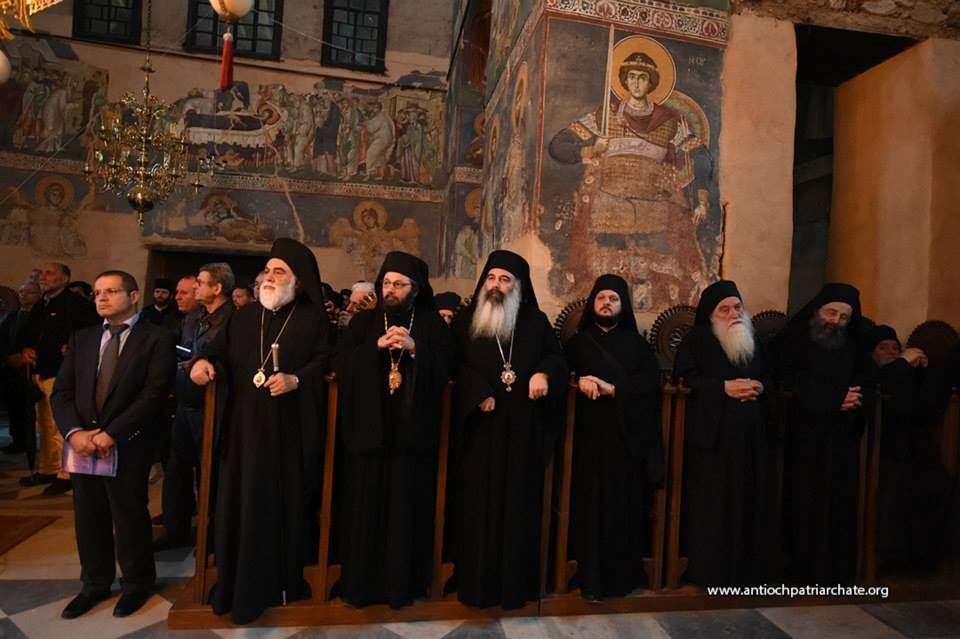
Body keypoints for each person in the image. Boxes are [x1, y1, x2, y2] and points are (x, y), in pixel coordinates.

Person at [189, 238, 331, 624]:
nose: (268, 277)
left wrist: (297, 379)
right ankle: (234, 583)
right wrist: (203, 362)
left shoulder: (313, 318)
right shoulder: (246, 314)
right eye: (267, 271)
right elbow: (218, 349)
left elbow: (325, 361)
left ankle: (276, 582)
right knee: (238, 501)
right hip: (241, 429)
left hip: (286, 432)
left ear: (298, 280)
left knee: (276, 504)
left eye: (279, 272)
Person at [51, 270, 175, 618]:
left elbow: (153, 393)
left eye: (111, 291)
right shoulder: (84, 337)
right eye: (97, 293)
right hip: (84, 445)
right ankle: (94, 583)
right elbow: (62, 392)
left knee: (129, 514)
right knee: (88, 516)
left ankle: (136, 584)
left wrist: (112, 433)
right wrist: (75, 433)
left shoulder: (157, 337)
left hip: (128, 442)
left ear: (133, 296)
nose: (101, 298)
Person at [333, 251, 454, 608]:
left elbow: (448, 366)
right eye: (386, 283)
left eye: (399, 285)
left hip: (410, 439)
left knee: (405, 513)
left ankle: (402, 586)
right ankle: (361, 587)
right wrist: (375, 347)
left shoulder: (431, 324)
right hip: (369, 435)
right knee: (364, 512)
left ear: (415, 289)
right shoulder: (363, 324)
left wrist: (416, 350)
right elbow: (341, 363)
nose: (390, 290)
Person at [450, 250, 568, 610]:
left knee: (519, 510)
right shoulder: (467, 320)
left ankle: (515, 588)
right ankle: (477, 588)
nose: (496, 285)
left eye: (504, 279)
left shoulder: (535, 320)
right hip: (481, 432)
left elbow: (557, 357)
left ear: (518, 286)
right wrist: (476, 391)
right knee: (478, 511)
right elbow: (451, 363)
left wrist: (543, 372)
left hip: (522, 431)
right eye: (491, 278)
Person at [673, 280, 780, 587]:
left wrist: (760, 387)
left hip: (753, 442)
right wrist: (723, 388)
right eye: (725, 309)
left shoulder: (755, 340)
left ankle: (750, 573)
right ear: (711, 314)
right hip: (714, 443)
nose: (734, 314)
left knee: (752, 503)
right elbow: (685, 381)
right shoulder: (696, 341)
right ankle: (714, 572)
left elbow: (770, 377)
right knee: (715, 508)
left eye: (737, 307)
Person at [565, 274, 661, 599]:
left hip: (624, 444)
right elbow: (561, 377)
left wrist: (615, 389)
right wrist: (577, 381)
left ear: (623, 306)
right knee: (586, 510)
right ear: (593, 303)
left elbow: (650, 388)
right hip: (585, 442)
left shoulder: (638, 347)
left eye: (614, 299)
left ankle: (621, 579)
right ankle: (588, 578)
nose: (607, 303)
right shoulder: (576, 345)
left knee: (623, 511)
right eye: (601, 298)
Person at [774, 283, 865, 584]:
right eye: (831, 312)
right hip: (804, 438)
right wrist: (833, 398)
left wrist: (852, 399)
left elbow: (865, 382)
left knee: (838, 505)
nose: (836, 321)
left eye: (844, 317)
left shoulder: (854, 345)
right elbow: (786, 380)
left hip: (842, 439)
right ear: (818, 310)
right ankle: (799, 572)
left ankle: (834, 574)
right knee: (803, 502)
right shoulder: (793, 339)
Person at [864, 325, 956, 573]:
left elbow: (925, 408)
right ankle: (894, 559)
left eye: (896, 348)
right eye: (883, 348)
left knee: (941, 484)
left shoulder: (905, 377)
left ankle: (928, 560)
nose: (891, 352)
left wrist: (926, 369)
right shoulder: (871, 376)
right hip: (875, 455)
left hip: (910, 454)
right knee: (898, 487)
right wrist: (902, 364)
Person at [157, 264, 235, 549]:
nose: (195, 288)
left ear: (217, 288)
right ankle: (175, 530)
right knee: (176, 470)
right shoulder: (192, 318)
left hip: (212, 407)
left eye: (200, 283)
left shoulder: (233, 320)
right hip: (184, 403)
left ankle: (211, 535)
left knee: (210, 474)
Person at [16, 262, 99, 495]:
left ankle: (66, 473)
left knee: (59, 424)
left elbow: (93, 333)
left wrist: (73, 347)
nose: (43, 277)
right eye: (42, 273)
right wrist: (25, 349)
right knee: (42, 424)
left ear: (64, 279)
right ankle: (48, 468)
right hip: (38, 372)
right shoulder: (41, 304)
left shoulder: (77, 305)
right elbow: (28, 333)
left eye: (49, 273)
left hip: (61, 373)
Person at [1, 280, 42, 462]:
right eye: (21, 292)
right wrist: (8, 357)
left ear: (38, 296)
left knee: (30, 410)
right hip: (11, 368)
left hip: (31, 367)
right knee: (14, 407)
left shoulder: (41, 315)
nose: (23, 295)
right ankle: (18, 439)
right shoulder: (12, 316)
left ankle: (30, 443)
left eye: (28, 292)